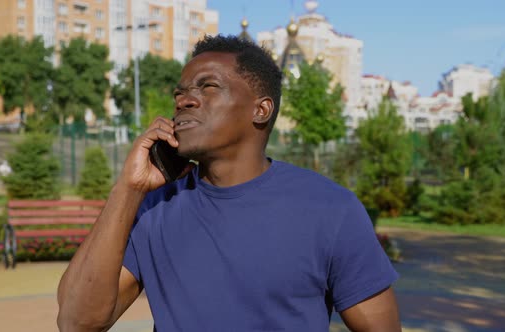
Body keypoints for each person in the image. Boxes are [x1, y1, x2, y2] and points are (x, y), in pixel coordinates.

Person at [57, 35, 401, 331]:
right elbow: (77, 323)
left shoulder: (330, 209)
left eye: (208, 86)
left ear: (261, 110)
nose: (184, 100)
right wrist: (128, 188)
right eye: (181, 91)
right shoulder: (155, 208)